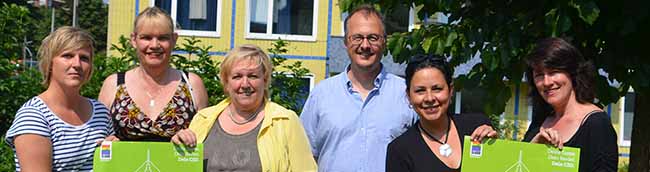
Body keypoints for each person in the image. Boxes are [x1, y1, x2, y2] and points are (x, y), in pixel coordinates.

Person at [299, 4, 418, 171]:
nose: (365, 45)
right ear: (346, 42)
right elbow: (304, 154)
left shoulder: (406, 94)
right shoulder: (321, 94)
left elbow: (431, 143)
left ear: (384, 43)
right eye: (357, 37)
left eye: (373, 38)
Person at [171, 44, 317, 171]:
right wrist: (177, 148)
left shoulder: (285, 121)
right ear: (226, 83)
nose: (245, 84)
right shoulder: (203, 119)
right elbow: (182, 167)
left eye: (253, 76)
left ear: (265, 80)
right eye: (237, 77)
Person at [4, 26, 113, 171]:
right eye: (67, 56)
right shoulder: (34, 116)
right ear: (50, 63)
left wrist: (116, 151)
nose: (77, 64)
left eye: (84, 58)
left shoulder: (101, 113)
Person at [98, 7, 208, 141]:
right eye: (146, 37)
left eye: (163, 38)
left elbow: (204, 138)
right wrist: (108, 142)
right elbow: (99, 138)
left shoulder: (192, 84)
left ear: (174, 40)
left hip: (176, 162)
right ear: (134, 40)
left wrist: (190, 137)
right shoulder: (113, 85)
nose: (154, 45)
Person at [385, 54, 497, 172]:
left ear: (450, 90)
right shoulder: (400, 151)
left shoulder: (476, 127)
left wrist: (496, 148)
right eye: (420, 90)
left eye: (437, 89)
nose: (429, 98)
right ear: (409, 96)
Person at [522, 38, 618, 172]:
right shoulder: (540, 120)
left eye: (553, 72)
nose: (547, 82)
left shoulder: (597, 124)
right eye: (539, 75)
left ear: (572, 73)